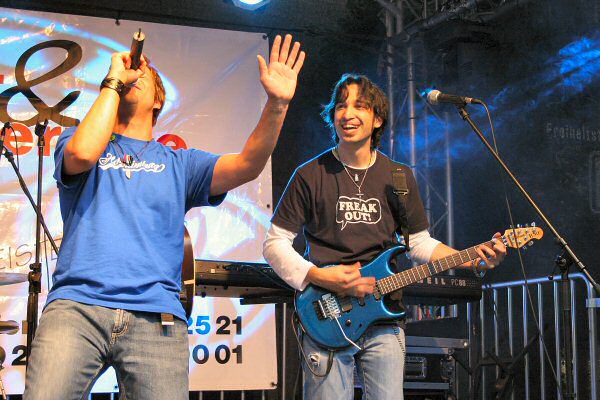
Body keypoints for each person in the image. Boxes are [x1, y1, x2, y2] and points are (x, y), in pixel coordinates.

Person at [23, 34, 305, 400]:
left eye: (144, 73)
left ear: (158, 99)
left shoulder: (180, 162)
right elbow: (82, 155)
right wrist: (113, 81)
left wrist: (277, 105)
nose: (134, 72)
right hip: (77, 306)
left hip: (156, 315)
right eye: (128, 72)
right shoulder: (77, 138)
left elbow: (248, 165)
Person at [262, 73, 506, 399]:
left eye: (359, 106)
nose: (348, 113)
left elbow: (419, 243)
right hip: (326, 314)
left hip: (385, 318)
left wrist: (473, 259)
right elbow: (274, 243)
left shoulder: (399, 177)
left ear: (377, 119)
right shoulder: (310, 175)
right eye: (341, 106)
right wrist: (319, 276)